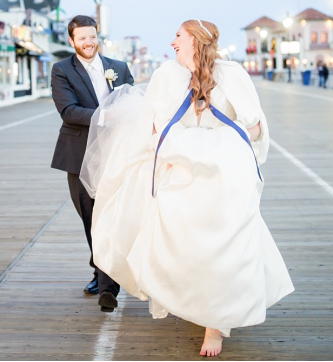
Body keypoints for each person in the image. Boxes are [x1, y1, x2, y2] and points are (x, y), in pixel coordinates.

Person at [80, 19, 293, 357]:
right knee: (182, 246)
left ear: (195, 39)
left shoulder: (232, 74)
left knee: (226, 247)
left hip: (224, 176)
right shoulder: (166, 75)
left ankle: (216, 326)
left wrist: (214, 145)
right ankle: (196, 302)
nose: (173, 42)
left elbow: (254, 128)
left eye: (178, 36)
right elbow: (151, 129)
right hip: (179, 171)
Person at [51, 15, 134, 312]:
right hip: (79, 155)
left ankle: (107, 284)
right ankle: (99, 267)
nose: (88, 43)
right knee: (90, 218)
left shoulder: (119, 68)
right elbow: (69, 111)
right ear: (71, 41)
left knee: (114, 215)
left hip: (118, 154)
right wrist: (105, 117)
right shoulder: (61, 71)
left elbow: (133, 104)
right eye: (82, 38)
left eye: (92, 36)